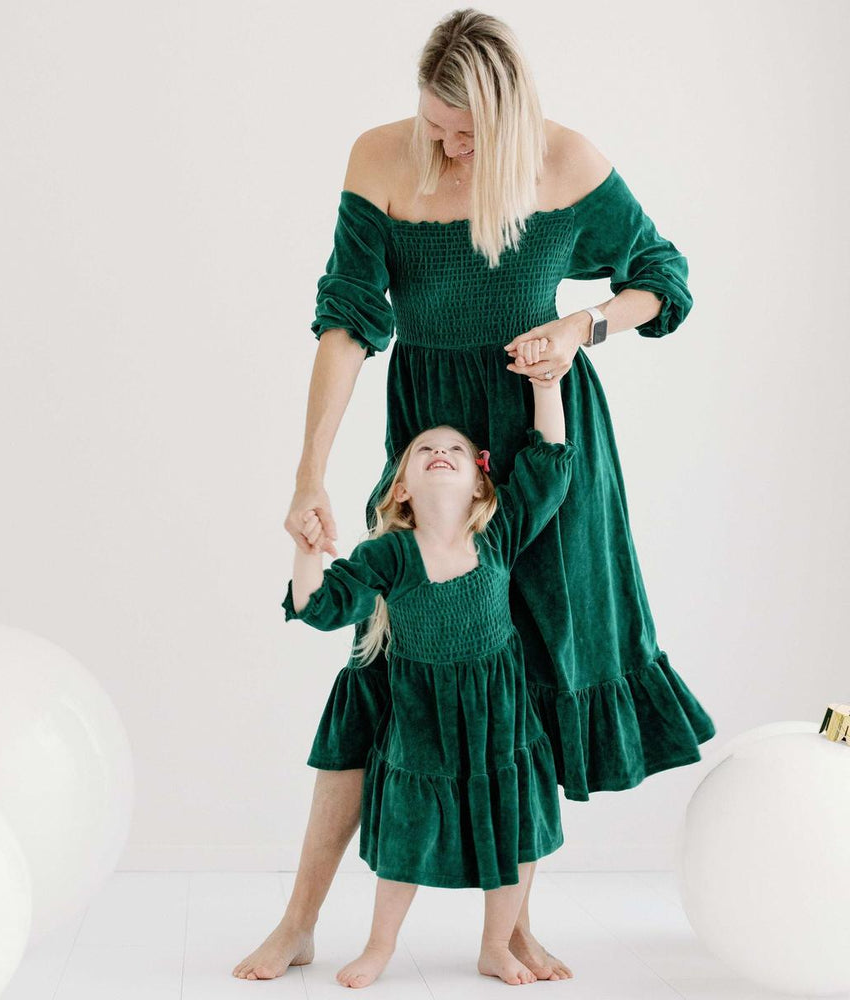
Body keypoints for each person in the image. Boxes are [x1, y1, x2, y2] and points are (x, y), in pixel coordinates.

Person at [233, 7, 715, 982]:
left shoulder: (565, 162)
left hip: (544, 447)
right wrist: (308, 471)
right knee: (378, 673)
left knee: (530, 670)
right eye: (435, 124)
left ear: (510, 120)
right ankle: (298, 920)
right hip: (432, 448)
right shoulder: (380, 159)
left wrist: (581, 327)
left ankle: (509, 931)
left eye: (468, 134)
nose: (448, 147)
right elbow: (346, 321)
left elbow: (663, 279)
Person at [282, 357, 575, 988]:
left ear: (479, 485)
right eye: (424, 450)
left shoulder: (498, 534)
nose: (441, 451)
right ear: (401, 488)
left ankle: (496, 945)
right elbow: (319, 607)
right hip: (421, 722)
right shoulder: (389, 554)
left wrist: (547, 385)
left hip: (501, 719)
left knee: (517, 828)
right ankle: (380, 946)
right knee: (407, 834)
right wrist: (307, 553)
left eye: (456, 450)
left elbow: (549, 467)